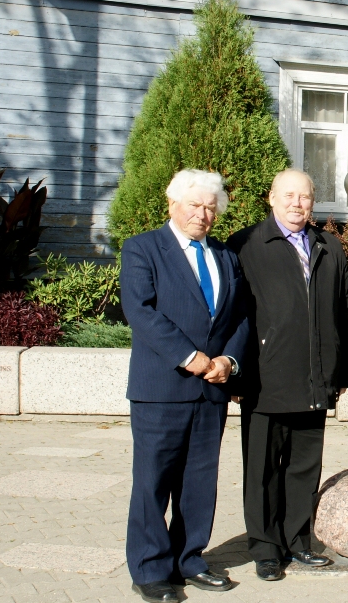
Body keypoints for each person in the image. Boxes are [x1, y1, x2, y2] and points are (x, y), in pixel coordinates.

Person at [121, 169, 248, 602]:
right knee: (154, 481)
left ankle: (190, 559)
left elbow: (241, 316)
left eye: (211, 207)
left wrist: (229, 361)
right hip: (161, 388)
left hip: (211, 389)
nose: (203, 214)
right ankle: (151, 569)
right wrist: (189, 356)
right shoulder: (142, 249)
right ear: (172, 204)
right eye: (194, 205)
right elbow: (140, 311)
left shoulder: (226, 256)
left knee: (198, 482)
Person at [227, 169, 348, 581]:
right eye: (288, 195)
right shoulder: (246, 245)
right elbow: (233, 315)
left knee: (303, 466)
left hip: (315, 379)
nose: (297, 203)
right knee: (262, 469)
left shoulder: (329, 247)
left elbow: (343, 314)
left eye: (304, 197)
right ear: (271, 197)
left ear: (313, 201)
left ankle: (298, 540)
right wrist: (235, 373)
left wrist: (343, 370)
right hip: (265, 380)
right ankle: (265, 547)